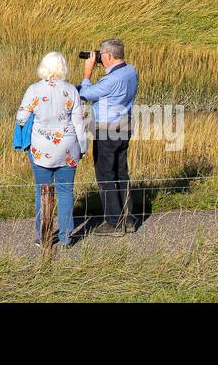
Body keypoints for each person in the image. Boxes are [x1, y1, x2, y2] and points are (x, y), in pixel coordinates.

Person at [15, 51, 87, 250]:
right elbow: (79, 122)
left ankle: (44, 237)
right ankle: (65, 238)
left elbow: (21, 118)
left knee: (42, 192)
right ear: (62, 67)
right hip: (68, 148)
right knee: (66, 191)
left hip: (41, 150)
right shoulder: (71, 90)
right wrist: (83, 147)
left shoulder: (34, 90)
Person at [80, 38, 139, 235]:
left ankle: (114, 224)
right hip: (124, 127)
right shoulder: (131, 71)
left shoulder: (110, 80)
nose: (100, 58)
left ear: (109, 56)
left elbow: (86, 93)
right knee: (121, 173)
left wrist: (87, 72)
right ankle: (129, 219)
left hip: (107, 131)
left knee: (105, 175)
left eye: (102, 55)